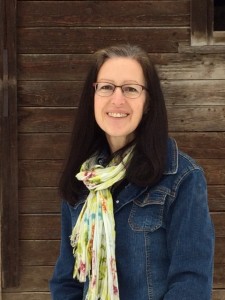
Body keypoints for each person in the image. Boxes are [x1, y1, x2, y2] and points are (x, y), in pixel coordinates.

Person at [49, 44, 215, 300]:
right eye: (106, 87)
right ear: (92, 96)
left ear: (148, 102)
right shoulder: (84, 178)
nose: (118, 99)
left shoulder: (182, 177)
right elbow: (67, 280)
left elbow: (191, 282)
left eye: (130, 89)